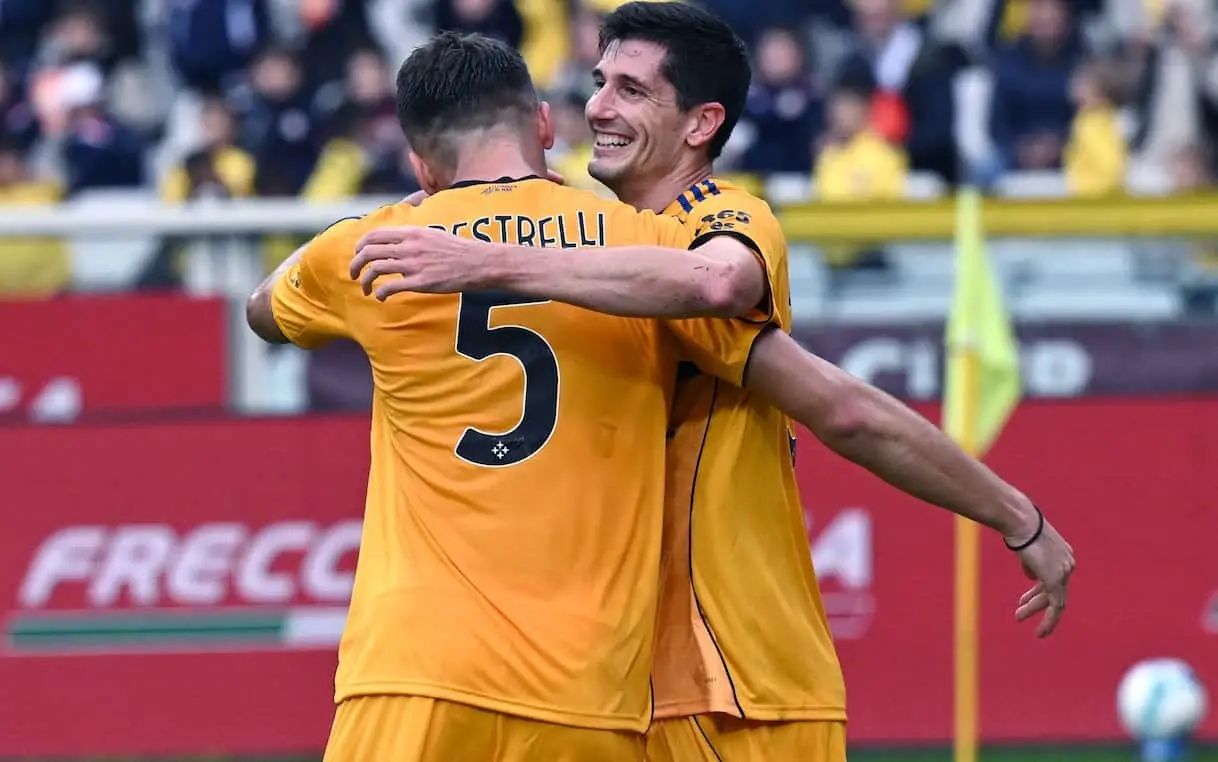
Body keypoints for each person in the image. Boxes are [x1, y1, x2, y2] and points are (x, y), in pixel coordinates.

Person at [349, 4, 1076, 761]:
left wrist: (1016, 516)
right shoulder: (594, 246)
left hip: (730, 677)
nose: (597, 107)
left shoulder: (719, 218)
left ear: (702, 124)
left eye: (631, 90)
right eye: (599, 83)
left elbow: (827, 392)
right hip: (612, 688)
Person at [245, 31, 768, 762]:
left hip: (413, 673)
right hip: (584, 686)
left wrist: (387, 216)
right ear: (545, 126)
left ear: (420, 161)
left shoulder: (376, 249)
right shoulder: (644, 243)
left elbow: (263, 310)